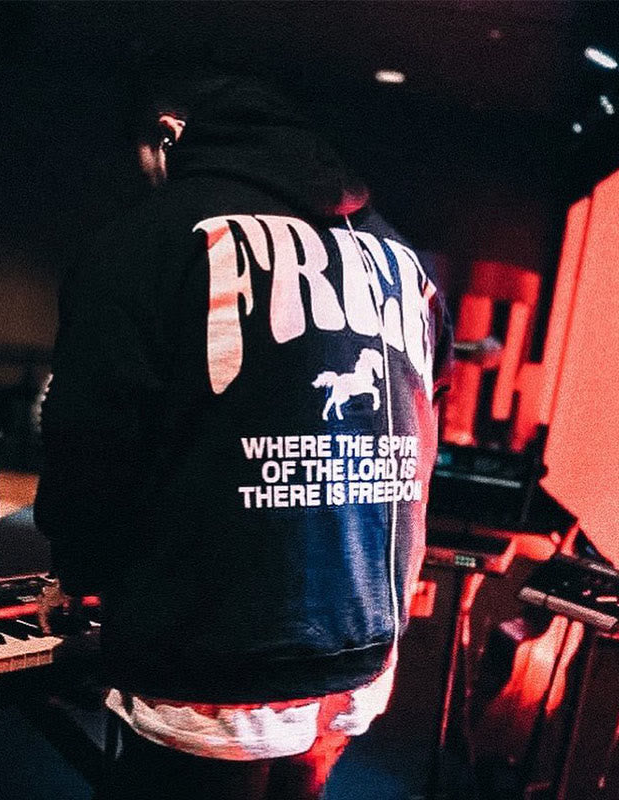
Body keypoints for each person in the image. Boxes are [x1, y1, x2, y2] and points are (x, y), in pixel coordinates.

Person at [34, 63, 453, 800]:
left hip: (210, 646)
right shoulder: (401, 260)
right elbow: (423, 428)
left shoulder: (147, 240)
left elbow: (90, 439)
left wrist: (82, 570)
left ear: (170, 135)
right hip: (360, 640)